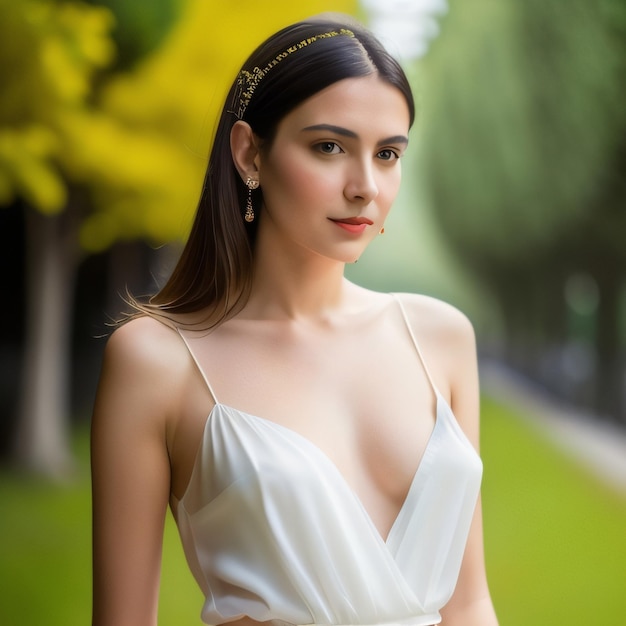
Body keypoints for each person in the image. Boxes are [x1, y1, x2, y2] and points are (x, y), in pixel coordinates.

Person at [91, 12, 499, 626]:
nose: (365, 185)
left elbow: (469, 605)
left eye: (387, 154)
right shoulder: (156, 361)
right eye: (329, 147)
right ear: (249, 152)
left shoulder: (440, 338)